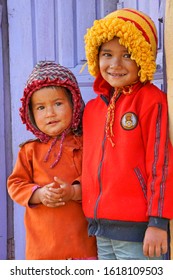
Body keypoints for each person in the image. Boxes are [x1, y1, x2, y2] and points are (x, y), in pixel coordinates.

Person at [81, 8, 173, 260]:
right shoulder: (93, 109)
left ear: (143, 57)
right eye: (107, 54)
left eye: (127, 55)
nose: (115, 65)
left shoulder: (151, 101)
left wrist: (157, 221)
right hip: (100, 227)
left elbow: (161, 163)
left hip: (139, 231)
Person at [7, 61, 97, 260]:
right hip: (43, 252)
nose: (50, 113)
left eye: (58, 104)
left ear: (74, 104)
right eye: (40, 107)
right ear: (30, 113)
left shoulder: (85, 144)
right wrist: (38, 194)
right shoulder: (29, 150)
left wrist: (73, 192)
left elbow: (97, 180)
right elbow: (15, 184)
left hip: (82, 246)